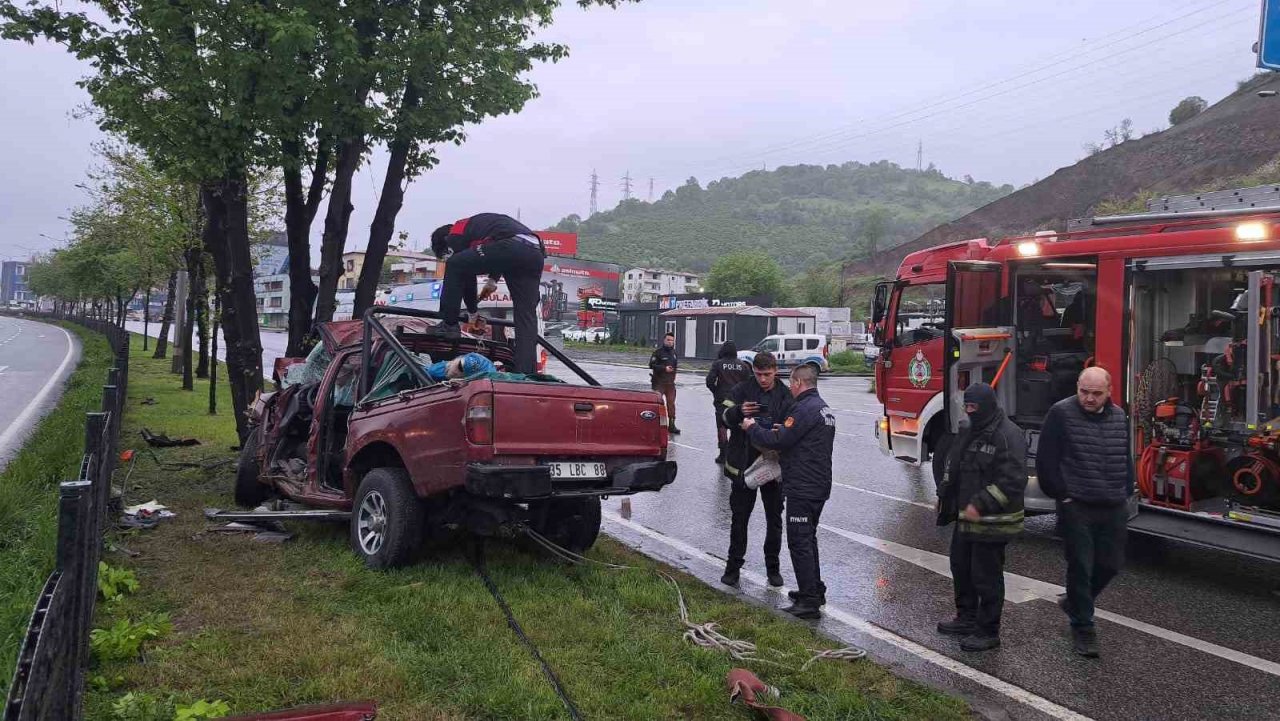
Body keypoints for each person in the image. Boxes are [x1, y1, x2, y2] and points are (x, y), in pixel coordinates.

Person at [1036, 366, 1132, 658]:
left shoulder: (1119, 417)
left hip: (1112, 503)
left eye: (1096, 393)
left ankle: (1075, 603)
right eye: (1084, 392)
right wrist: (1062, 496)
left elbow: (1124, 455)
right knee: (1080, 566)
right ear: (1077, 387)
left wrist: (1126, 489)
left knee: (1111, 565)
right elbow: (1046, 460)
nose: (1089, 398)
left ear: (1109, 391)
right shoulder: (1060, 413)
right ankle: (1083, 627)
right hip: (1076, 504)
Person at [935, 382, 1028, 652]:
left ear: (987, 406)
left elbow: (1013, 480)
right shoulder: (969, 430)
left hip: (994, 521)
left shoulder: (1008, 435)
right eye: (966, 406)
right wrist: (944, 495)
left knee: (986, 576)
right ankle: (966, 618)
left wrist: (981, 504)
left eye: (974, 406)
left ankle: (988, 631)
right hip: (968, 517)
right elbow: (955, 465)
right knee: (961, 567)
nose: (969, 411)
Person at [743, 364, 836, 619]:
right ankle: (814, 589)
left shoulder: (803, 408)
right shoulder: (823, 408)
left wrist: (752, 428)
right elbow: (797, 436)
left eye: (792, 383)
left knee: (799, 541)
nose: (791, 388)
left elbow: (779, 441)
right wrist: (782, 430)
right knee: (809, 538)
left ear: (797, 383)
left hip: (803, 486)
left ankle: (808, 602)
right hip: (818, 483)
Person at [431, 213, 545, 374]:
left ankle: (449, 325)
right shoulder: (484, 229)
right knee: (525, 316)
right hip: (534, 250)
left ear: (445, 241)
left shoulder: (456, 231)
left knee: (454, 264)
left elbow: (466, 274)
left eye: (446, 252)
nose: (449, 253)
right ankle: (525, 372)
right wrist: (492, 281)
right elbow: (502, 249)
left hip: (511, 246)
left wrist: (472, 313)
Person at [720, 352, 792, 589]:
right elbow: (723, 418)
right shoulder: (741, 390)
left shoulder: (785, 394)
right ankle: (733, 569)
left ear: (775, 371)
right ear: (753, 371)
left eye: (767, 374)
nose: (763, 379)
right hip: (743, 465)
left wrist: (780, 431)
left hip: (773, 466)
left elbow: (793, 428)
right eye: (759, 374)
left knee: (774, 521)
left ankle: (773, 569)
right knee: (739, 520)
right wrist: (739, 412)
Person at [706, 341, 751, 463]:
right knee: (738, 426)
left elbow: (709, 381)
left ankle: (723, 454)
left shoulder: (718, 364)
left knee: (722, 426)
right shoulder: (743, 365)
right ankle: (738, 453)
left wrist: (716, 391)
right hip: (738, 402)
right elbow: (749, 384)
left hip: (722, 400)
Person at [649, 333, 680, 434]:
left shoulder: (674, 353)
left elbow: (675, 367)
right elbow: (651, 365)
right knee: (657, 404)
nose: (670, 342)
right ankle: (656, 424)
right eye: (668, 340)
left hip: (670, 384)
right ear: (664, 340)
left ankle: (671, 425)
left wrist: (673, 375)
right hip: (659, 383)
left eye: (672, 340)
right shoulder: (658, 353)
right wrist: (664, 368)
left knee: (671, 404)